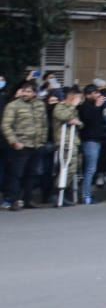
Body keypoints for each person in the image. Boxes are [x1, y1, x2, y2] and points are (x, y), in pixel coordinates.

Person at [2, 81, 46, 211]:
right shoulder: (13, 105)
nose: (25, 93)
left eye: (28, 91)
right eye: (24, 91)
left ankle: (28, 200)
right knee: (16, 174)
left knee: (31, 174)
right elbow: (6, 125)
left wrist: (42, 141)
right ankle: (14, 200)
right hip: (21, 145)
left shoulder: (40, 105)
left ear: (34, 93)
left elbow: (44, 124)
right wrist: (14, 141)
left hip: (36, 145)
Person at [50, 88, 84, 207]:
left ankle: (63, 194)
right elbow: (64, 116)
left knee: (73, 168)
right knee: (68, 168)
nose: (80, 100)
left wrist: (77, 123)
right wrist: (72, 106)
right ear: (72, 97)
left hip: (73, 141)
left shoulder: (74, 109)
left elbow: (79, 123)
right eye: (78, 97)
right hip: (64, 142)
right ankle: (56, 192)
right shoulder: (60, 107)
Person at [78, 88, 106, 204]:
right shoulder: (84, 107)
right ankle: (86, 196)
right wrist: (96, 107)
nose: (98, 95)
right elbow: (88, 120)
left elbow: (100, 120)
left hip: (97, 140)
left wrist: (100, 106)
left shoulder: (96, 106)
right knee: (90, 169)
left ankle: (88, 194)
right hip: (89, 140)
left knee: (92, 169)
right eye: (95, 93)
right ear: (88, 95)